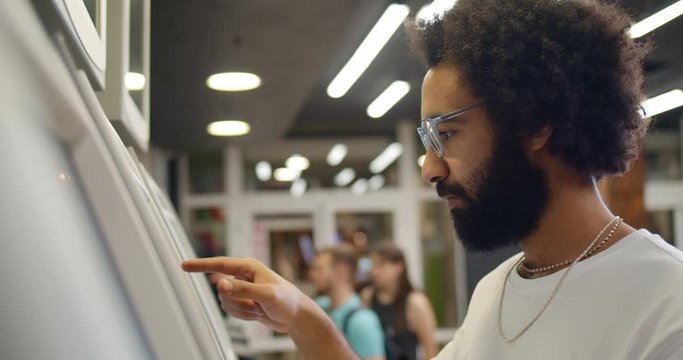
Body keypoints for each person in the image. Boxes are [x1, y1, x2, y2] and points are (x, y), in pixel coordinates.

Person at [182, 0, 683, 358]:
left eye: (449, 133)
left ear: (534, 123)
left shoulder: (667, 304)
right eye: (427, 141)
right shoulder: (496, 291)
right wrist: (300, 316)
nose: (430, 168)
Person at [308, 245, 386, 360]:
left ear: (342, 271)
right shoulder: (320, 307)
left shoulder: (362, 321)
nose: (312, 275)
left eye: (319, 269)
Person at [362, 243, 437, 360]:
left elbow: (430, 350)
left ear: (399, 267)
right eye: (373, 266)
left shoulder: (416, 303)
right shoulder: (368, 297)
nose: (374, 272)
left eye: (381, 265)